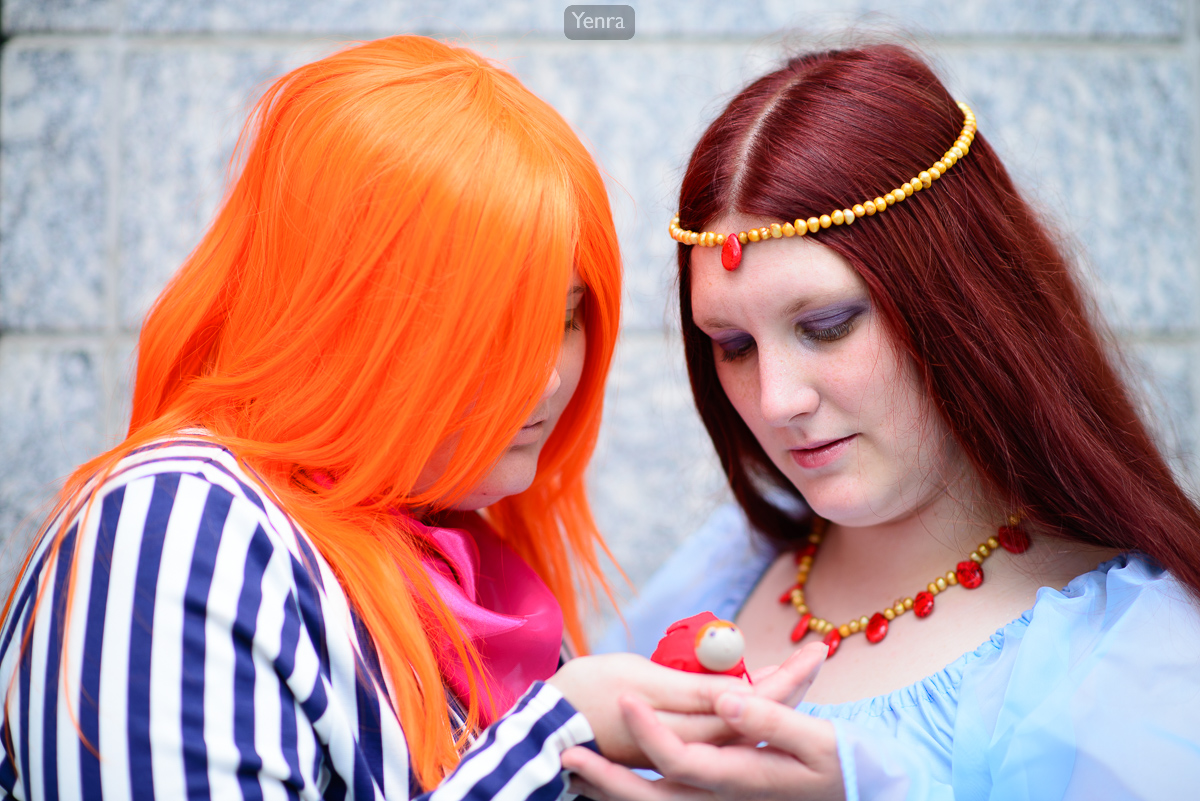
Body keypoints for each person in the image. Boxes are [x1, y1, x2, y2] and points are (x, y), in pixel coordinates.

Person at [0, 36, 814, 801]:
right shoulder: (178, 525)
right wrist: (557, 733)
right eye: (488, 323)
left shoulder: (465, 554)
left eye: (564, 316)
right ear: (336, 309)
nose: (545, 375)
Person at [576, 44, 1200, 799]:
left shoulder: (1129, 648)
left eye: (828, 324)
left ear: (964, 302)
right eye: (733, 346)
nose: (777, 400)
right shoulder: (723, 570)